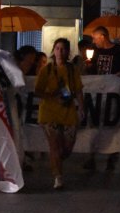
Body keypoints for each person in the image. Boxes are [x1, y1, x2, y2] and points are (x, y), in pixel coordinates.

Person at [34, 38, 84, 189]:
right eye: (57, 48)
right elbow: (38, 91)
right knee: (54, 147)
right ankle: (58, 177)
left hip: (68, 112)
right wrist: (53, 97)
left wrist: (82, 107)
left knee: (66, 148)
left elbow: (78, 90)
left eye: (63, 49)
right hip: (49, 113)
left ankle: (57, 161)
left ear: (68, 51)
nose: (60, 52)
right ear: (53, 50)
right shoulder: (46, 70)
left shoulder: (72, 70)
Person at [84, 25, 120, 170]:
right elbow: (92, 72)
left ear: (103, 36)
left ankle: (111, 156)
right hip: (97, 94)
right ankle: (91, 156)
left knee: (111, 125)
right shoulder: (95, 52)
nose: (94, 41)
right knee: (93, 124)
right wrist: (88, 66)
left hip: (114, 94)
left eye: (95, 38)